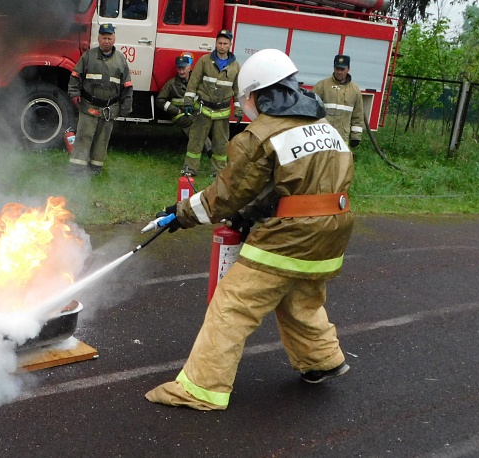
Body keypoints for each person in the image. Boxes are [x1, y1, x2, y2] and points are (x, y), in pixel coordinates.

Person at [145, 49, 354, 411]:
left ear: (261, 94)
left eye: (247, 98)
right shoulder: (325, 128)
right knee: (298, 298)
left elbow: (223, 196)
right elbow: (289, 188)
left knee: (234, 303)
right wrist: (249, 215)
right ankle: (323, 360)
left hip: (292, 235)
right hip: (333, 232)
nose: (246, 106)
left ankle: (201, 388)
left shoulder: (261, 135)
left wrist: (180, 214)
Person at [67, 23, 134, 176]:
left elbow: (127, 85)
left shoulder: (121, 60)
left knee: (101, 140)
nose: (106, 41)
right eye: (103, 38)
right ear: (98, 38)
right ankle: (77, 168)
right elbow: (75, 76)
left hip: (109, 109)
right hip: (88, 106)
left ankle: (95, 168)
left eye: (109, 38)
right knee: (84, 136)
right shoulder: (88, 56)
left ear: (114, 39)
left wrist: (126, 107)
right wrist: (74, 93)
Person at [181, 29, 242, 177]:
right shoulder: (204, 61)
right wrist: (188, 101)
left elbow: (238, 90)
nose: (222, 46)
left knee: (221, 144)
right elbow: (193, 82)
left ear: (230, 45)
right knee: (195, 141)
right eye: (219, 43)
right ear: (215, 43)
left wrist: (239, 110)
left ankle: (219, 171)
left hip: (222, 112)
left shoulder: (235, 66)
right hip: (203, 109)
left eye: (225, 43)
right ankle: (190, 169)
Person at [156, 52, 211, 158]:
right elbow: (160, 100)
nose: (181, 71)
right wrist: (176, 111)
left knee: (199, 124)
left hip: (194, 113)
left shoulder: (196, 82)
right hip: (179, 115)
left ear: (189, 67)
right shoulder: (171, 84)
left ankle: (201, 149)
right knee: (194, 123)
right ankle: (208, 149)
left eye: (183, 68)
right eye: (179, 69)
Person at [312, 54, 364, 149]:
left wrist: (356, 136)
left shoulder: (355, 90)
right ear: (334, 68)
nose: (339, 72)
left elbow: (358, 115)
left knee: (340, 163)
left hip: (342, 137)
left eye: (342, 69)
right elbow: (311, 109)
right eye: (337, 69)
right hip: (322, 136)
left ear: (348, 69)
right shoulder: (322, 86)